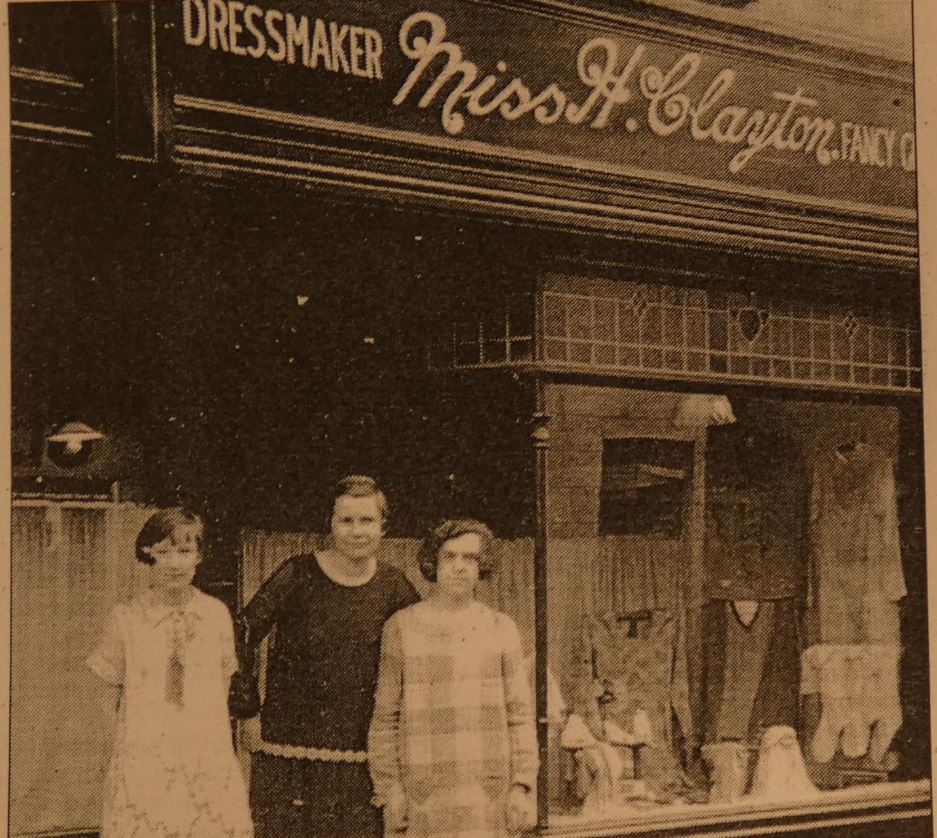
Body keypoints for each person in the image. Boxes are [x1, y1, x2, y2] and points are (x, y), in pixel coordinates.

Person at [228, 475, 419, 838]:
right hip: (286, 749)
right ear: (330, 524)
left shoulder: (395, 586)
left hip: (361, 754)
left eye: (367, 521)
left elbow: (422, 652)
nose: (357, 531)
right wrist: (248, 710)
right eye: (346, 520)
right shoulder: (297, 574)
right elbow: (242, 634)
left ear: (383, 528)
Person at [87, 508, 253, 838]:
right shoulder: (126, 619)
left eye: (184, 551)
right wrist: (129, 754)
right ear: (146, 556)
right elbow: (107, 700)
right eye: (163, 552)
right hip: (145, 757)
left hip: (204, 754)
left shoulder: (215, 615)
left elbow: (220, 690)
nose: (175, 563)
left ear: (199, 556)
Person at [368, 518, 539, 837]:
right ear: (434, 561)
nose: (459, 567)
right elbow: (385, 719)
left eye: (470, 558)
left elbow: (520, 717)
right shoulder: (401, 627)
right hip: (422, 800)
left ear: (482, 565)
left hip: (488, 798)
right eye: (450, 556)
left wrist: (521, 785)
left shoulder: (502, 628)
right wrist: (391, 789)